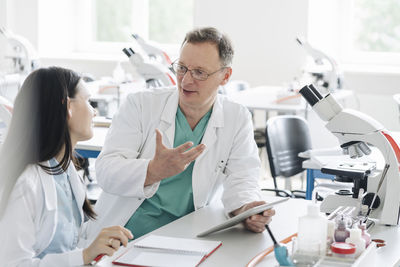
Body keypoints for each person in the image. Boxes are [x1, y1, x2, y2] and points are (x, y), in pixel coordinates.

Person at [86, 27, 275, 241]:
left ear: (225, 76)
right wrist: (153, 170)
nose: (185, 81)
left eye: (200, 72)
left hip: (185, 236)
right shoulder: (140, 105)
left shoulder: (236, 117)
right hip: (126, 235)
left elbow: (243, 177)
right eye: (182, 68)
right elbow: (106, 171)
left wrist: (246, 209)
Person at [0, 67, 133, 266]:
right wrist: (85, 255)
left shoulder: (65, 171)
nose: (93, 110)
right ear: (68, 107)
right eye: (88, 101)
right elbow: (12, 263)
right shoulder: (26, 182)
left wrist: (96, 247)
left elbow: (69, 245)